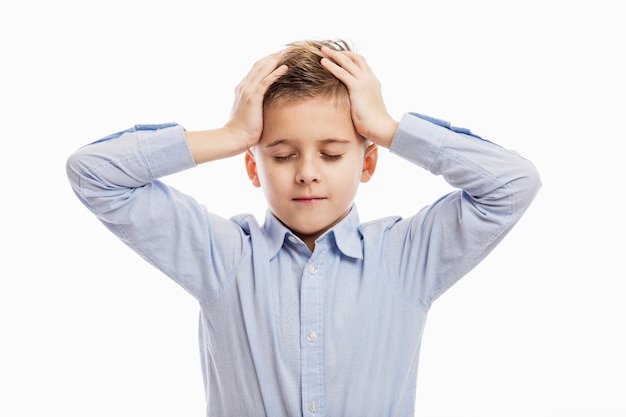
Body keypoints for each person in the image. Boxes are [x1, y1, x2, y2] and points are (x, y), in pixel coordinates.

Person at [66, 39, 541, 416]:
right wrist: (230, 135)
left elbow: (512, 185)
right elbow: (93, 173)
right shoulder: (224, 255)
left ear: (367, 161)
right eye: (283, 154)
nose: (308, 172)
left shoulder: (404, 257)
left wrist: (389, 127)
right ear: (254, 168)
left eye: (332, 154)